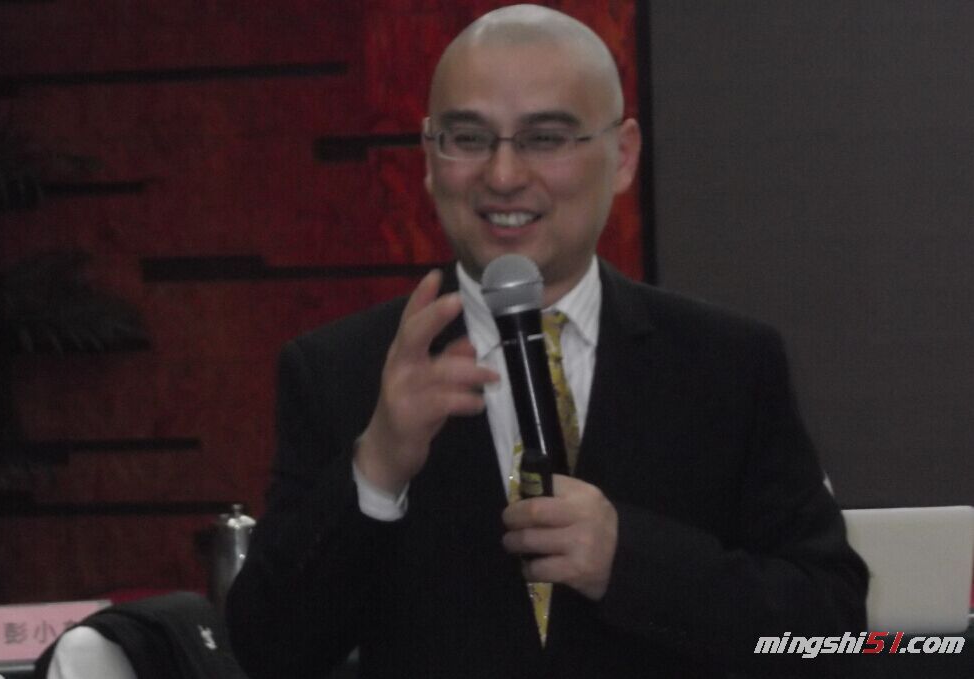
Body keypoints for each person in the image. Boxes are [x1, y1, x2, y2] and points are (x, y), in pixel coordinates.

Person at [226, 5, 867, 678]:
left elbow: (830, 630)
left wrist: (628, 560)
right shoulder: (340, 371)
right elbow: (270, 651)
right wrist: (376, 469)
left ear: (622, 156)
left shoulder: (728, 365)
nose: (503, 175)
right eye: (468, 138)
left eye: (545, 138)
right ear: (429, 158)